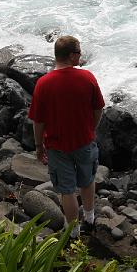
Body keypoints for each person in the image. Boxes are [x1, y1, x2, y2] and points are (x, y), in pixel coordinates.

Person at [28, 35, 105, 238]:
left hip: (57, 145)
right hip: (84, 141)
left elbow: (38, 120)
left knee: (67, 190)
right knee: (87, 180)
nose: (80, 55)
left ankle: (74, 232)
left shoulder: (43, 84)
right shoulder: (87, 78)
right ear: (72, 56)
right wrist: (92, 128)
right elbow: (99, 108)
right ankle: (89, 217)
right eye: (79, 52)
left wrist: (38, 146)